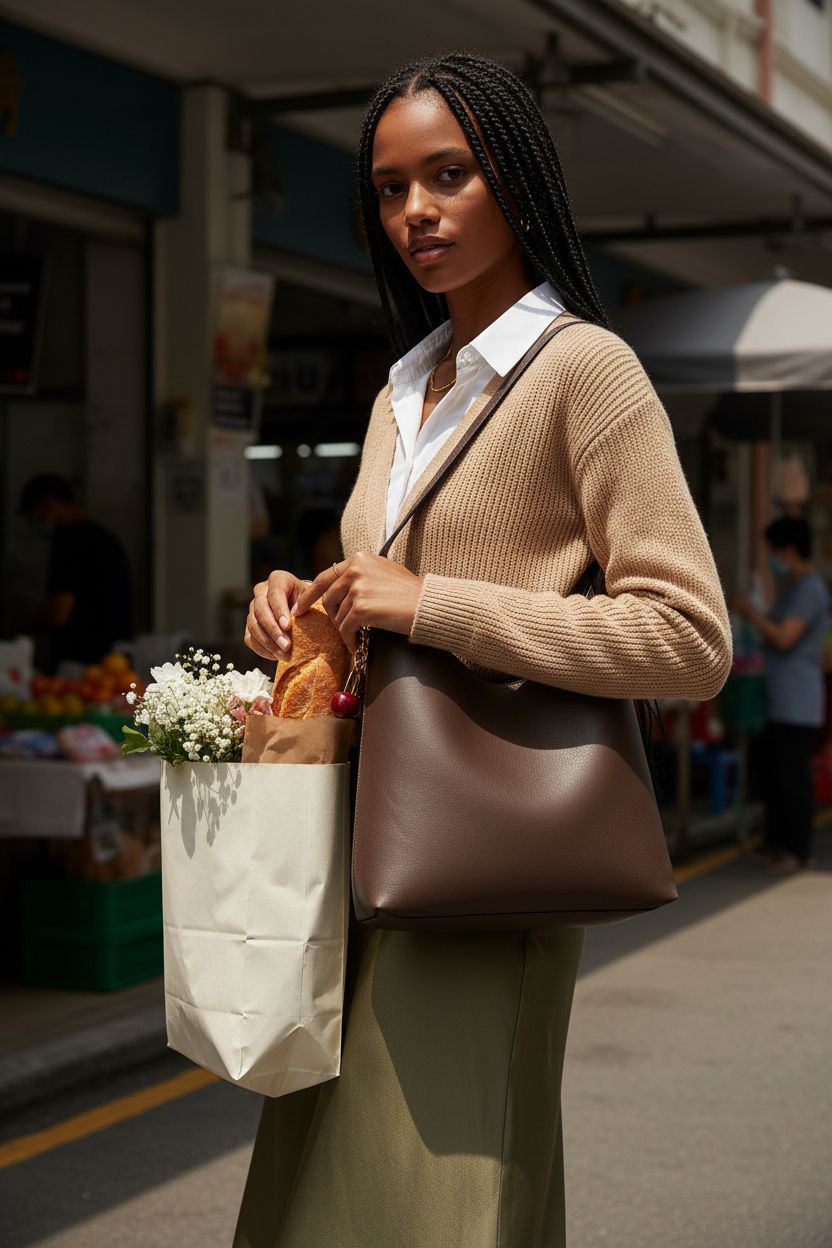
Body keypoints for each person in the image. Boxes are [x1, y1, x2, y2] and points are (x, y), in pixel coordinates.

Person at [239, 53, 731, 1248]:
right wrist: (308, 605)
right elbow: (388, 594)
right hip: (356, 844)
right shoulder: (402, 390)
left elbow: (689, 639)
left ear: (513, 178)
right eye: (391, 188)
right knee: (317, 1203)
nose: (416, 212)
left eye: (448, 175)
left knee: (440, 1206)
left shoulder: (583, 371)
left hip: (482, 857)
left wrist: (431, 604)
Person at [732, 516, 830, 874]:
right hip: (778, 699)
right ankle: (776, 844)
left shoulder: (809, 589)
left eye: (774, 551)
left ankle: (798, 850)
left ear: (789, 550)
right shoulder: (793, 586)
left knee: (792, 779)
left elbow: (784, 637)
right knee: (772, 774)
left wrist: (751, 613)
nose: (773, 558)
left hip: (797, 701)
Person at [18, 473, 131, 668]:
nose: (39, 523)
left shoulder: (69, 540)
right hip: (115, 659)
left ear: (48, 505)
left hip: (81, 660)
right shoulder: (104, 537)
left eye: (35, 516)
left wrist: (29, 617)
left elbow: (59, 612)